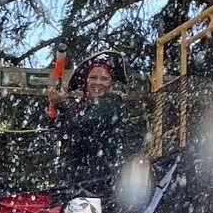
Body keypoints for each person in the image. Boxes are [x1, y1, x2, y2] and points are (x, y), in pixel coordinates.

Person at [44, 51, 146, 189]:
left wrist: (62, 104)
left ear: (111, 83)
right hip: (75, 182)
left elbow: (85, 127)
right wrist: (55, 112)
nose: (98, 83)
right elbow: (65, 133)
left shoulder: (112, 104)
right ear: (86, 80)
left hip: (103, 183)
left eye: (104, 79)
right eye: (93, 77)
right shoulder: (79, 107)